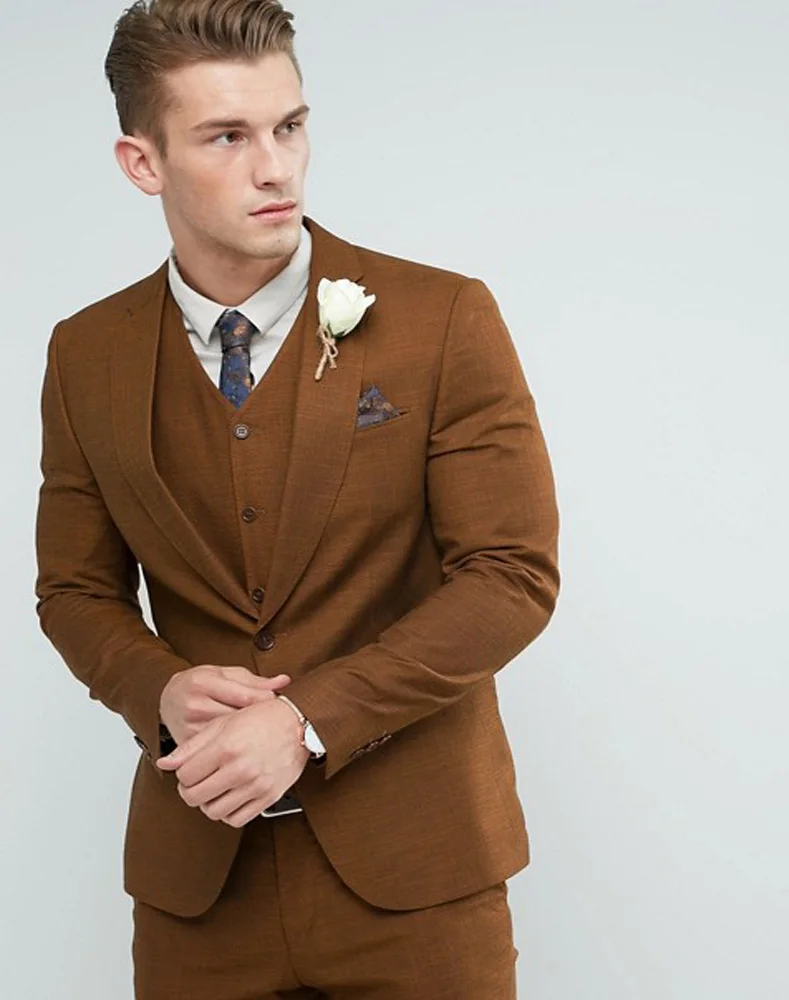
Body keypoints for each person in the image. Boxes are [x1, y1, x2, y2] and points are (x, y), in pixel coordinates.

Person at [34, 1, 560, 997]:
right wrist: (160, 691)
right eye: (226, 137)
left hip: (418, 878)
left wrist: (309, 718)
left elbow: (510, 576)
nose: (276, 168)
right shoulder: (85, 353)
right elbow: (73, 589)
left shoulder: (442, 317)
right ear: (143, 163)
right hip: (199, 886)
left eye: (289, 125)